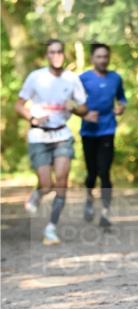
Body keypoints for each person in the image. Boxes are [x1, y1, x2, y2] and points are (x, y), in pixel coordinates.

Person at [16, 38, 88, 245]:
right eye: (52, 52)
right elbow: (19, 105)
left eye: (59, 52)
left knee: (62, 183)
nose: (56, 55)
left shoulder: (72, 79)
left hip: (62, 136)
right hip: (39, 135)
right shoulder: (35, 77)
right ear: (46, 55)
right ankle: (37, 195)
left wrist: (72, 107)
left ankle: (51, 228)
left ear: (64, 54)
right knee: (47, 185)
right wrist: (32, 118)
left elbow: (85, 109)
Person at [79, 41, 127, 228]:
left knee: (104, 172)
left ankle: (105, 213)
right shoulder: (82, 78)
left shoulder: (115, 78)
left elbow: (122, 98)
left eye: (105, 56)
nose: (103, 60)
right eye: (99, 56)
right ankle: (89, 198)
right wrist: (84, 113)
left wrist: (121, 107)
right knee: (92, 173)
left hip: (108, 130)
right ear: (92, 58)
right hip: (88, 132)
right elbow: (73, 102)